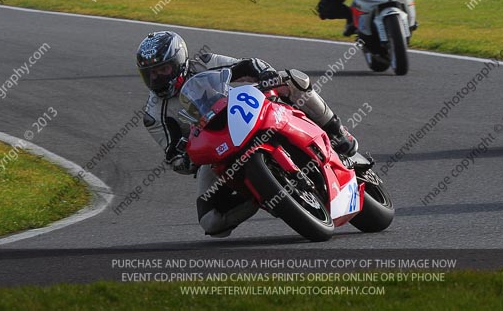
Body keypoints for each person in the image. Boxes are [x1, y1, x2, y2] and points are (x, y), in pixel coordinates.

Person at [136, 30, 358, 237]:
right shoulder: (153, 114)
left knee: (291, 79)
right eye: (151, 73)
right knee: (211, 222)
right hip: (216, 147)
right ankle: (261, 195)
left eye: (163, 70)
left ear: (179, 62)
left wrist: (265, 74)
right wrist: (182, 160)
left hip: (243, 112)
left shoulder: (204, 62)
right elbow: (171, 151)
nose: (157, 78)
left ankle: (337, 131)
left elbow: (247, 65)